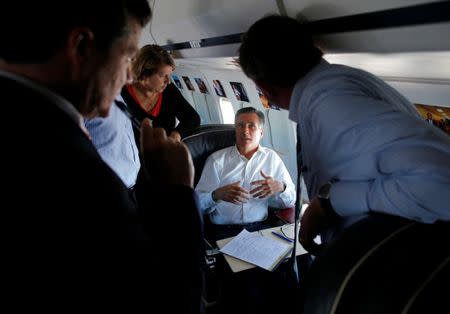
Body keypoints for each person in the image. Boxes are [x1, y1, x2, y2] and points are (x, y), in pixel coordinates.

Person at [1, 1, 203, 312]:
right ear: (81, 47)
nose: (126, 77)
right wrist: (175, 193)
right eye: (126, 57)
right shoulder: (71, 169)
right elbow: (167, 300)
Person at [238, 15, 450, 253]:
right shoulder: (336, 84)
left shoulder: (331, 104)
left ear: (264, 88)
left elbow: (442, 180)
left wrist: (330, 203)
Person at [195, 107, 296, 240]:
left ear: (261, 132)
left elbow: (291, 200)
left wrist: (281, 188)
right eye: (240, 126)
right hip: (223, 231)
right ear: (235, 130)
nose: (245, 131)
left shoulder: (271, 158)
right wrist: (216, 195)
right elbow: (196, 205)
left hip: (260, 228)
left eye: (251, 126)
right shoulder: (217, 160)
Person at [121, 44, 200, 142]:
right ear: (144, 73)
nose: (168, 81)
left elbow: (193, 118)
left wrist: (176, 134)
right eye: (162, 75)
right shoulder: (121, 93)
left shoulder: (169, 90)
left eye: (169, 75)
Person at [84, 95, 141, 198]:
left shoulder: (119, 98)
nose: (129, 79)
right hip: (106, 191)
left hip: (130, 190)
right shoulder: (85, 97)